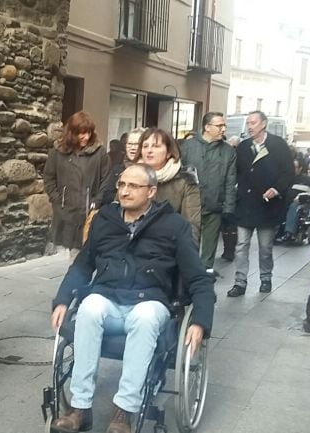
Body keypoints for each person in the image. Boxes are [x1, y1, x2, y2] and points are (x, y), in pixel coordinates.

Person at [49, 164, 215, 433]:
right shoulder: (105, 218)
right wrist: (63, 299)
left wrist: (200, 320)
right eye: (122, 185)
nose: (124, 191)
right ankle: (80, 407)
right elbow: (82, 265)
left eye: (133, 186)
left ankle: (124, 411)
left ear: (151, 191)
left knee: (145, 317)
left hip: (150, 301)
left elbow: (198, 277)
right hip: (108, 298)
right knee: (89, 308)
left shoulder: (174, 225)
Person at [228, 111, 294, 297]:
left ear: (263, 124)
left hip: (267, 205)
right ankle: (240, 282)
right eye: (248, 123)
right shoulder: (243, 147)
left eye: (253, 123)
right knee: (241, 245)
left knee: (265, 247)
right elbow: (236, 172)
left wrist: (276, 189)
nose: (250, 126)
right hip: (245, 205)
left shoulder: (278, 145)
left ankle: (265, 278)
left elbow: (288, 173)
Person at [43, 111, 110, 259]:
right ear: (72, 133)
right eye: (81, 133)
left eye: (88, 133)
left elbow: (106, 180)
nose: (85, 137)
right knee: (68, 251)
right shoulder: (57, 152)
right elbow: (48, 177)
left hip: (88, 211)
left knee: (84, 252)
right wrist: (56, 198)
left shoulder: (100, 153)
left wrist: (96, 201)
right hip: (65, 211)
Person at [181, 112, 236, 275]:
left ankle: (205, 279)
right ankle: (187, 279)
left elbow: (230, 181)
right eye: (219, 125)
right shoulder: (188, 147)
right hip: (190, 206)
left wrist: (228, 207)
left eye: (224, 125)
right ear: (207, 127)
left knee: (209, 251)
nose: (223, 129)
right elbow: (179, 175)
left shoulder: (228, 151)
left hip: (215, 206)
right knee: (190, 245)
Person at [131, 127, 201, 242]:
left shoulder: (185, 180)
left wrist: (187, 255)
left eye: (156, 146)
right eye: (145, 146)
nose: (149, 150)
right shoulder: (131, 175)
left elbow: (191, 225)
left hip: (166, 247)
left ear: (169, 152)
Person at [102, 127, 145, 204]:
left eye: (137, 144)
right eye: (129, 144)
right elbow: (106, 197)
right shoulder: (117, 170)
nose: (132, 148)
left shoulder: (151, 170)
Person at [278, 159, 310, 243]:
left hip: (301, 202)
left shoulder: (307, 180)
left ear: (300, 168)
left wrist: (302, 197)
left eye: (295, 167)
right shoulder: (286, 179)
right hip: (286, 201)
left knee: (294, 206)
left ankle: (289, 232)